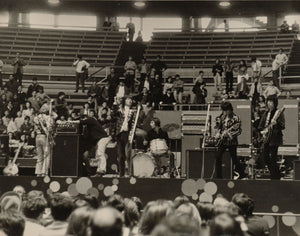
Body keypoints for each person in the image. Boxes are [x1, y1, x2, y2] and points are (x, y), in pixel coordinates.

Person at [76, 110, 112, 177]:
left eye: (84, 118)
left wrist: (68, 122)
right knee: (97, 154)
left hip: (103, 138)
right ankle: (98, 171)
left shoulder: (92, 119)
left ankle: (102, 170)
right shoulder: (88, 130)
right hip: (100, 139)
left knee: (100, 153)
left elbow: (81, 122)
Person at [215, 101, 245, 179]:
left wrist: (229, 134)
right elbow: (219, 127)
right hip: (222, 141)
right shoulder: (222, 117)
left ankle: (242, 173)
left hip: (232, 142)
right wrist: (218, 133)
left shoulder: (236, 118)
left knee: (234, 158)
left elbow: (238, 130)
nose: (224, 112)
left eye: (225, 110)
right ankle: (219, 177)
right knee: (218, 156)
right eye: (223, 110)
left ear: (229, 109)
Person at [258, 95, 285, 179]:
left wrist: (276, 123)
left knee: (273, 158)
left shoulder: (279, 112)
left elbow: (283, 126)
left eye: (271, 102)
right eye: (268, 101)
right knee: (265, 157)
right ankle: (276, 173)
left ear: (275, 103)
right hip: (266, 138)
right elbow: (260, 125)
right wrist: (262, 131)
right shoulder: (266, 113)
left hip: (275, 138)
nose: (269, 103)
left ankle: (274, 176)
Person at [111, 96, 135, 177]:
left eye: (131, 99)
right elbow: (113, 115)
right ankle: (121, 174)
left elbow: (134, 124)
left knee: (128, 155)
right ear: (125, 101)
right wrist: (115, 103)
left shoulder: (133, 112)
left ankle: (131, 173)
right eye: (128, 99)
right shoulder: (120, 110)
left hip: (127, 134)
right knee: (121, 156)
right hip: (119, 134)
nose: (130, 101)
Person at [33, 106, 55, 177]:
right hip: (44, 137)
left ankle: (38, 172)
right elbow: (50, 129)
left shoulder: (36, 118)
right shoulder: (48, 118)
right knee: (46, 155)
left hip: (37, 137)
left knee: (39, 155)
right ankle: (44, 172)